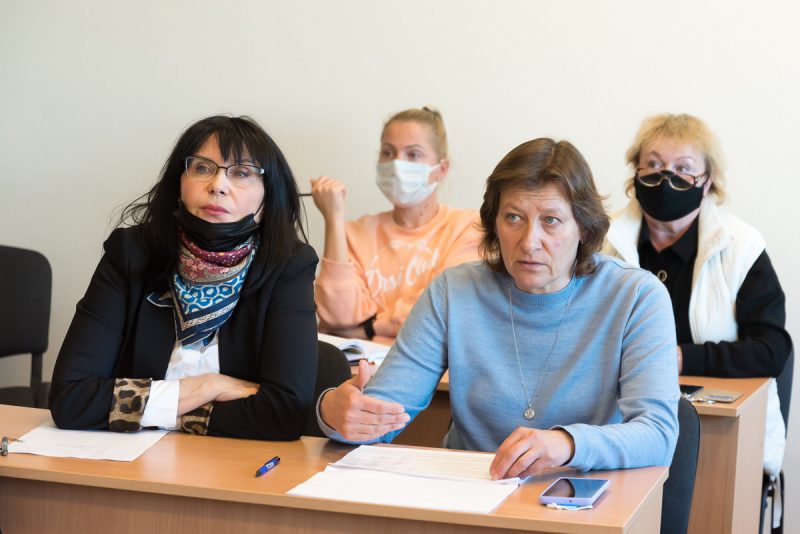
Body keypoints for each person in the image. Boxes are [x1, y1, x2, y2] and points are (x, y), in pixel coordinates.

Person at [317, 138, 679, 479]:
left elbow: (658, 434)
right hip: (471, 493)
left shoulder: (636, 296)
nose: (529, 242)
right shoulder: (453, 291)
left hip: (580, 494)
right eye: (513, 218)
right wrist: (333, 413)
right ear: (494, 223)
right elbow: (378, 416)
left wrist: (567, 444)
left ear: (583, 228)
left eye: (551, 221)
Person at [49, 115, 319, 440]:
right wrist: (209, 387)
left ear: (267, 199)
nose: (218, 185)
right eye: (202, 168)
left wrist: (151, 408)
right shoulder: (130, 253)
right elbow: (71, 398)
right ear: (179, 183)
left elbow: (286, 412)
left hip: (229, 465)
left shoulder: (288, 266)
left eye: (242, 173)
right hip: (123, 460)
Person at [603, 113, 792, 480]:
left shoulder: (742, 247)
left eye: (683, 169)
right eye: (653, 165)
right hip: (617, 424)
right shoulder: (602, 240)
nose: (665, 178)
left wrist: (680, 358)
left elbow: (771, 350)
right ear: (635, 173)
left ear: (707, 183)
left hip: (719, 433)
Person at [310, 107, 482, 344]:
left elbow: (445, 307)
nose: (397, 163)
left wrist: (368, 329)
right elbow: (338, 316)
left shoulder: (469, 228)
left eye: (413, 154)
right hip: (359, 365)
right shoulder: (354, 233)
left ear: (441, 169)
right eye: (388, 152)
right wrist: (333, 218)